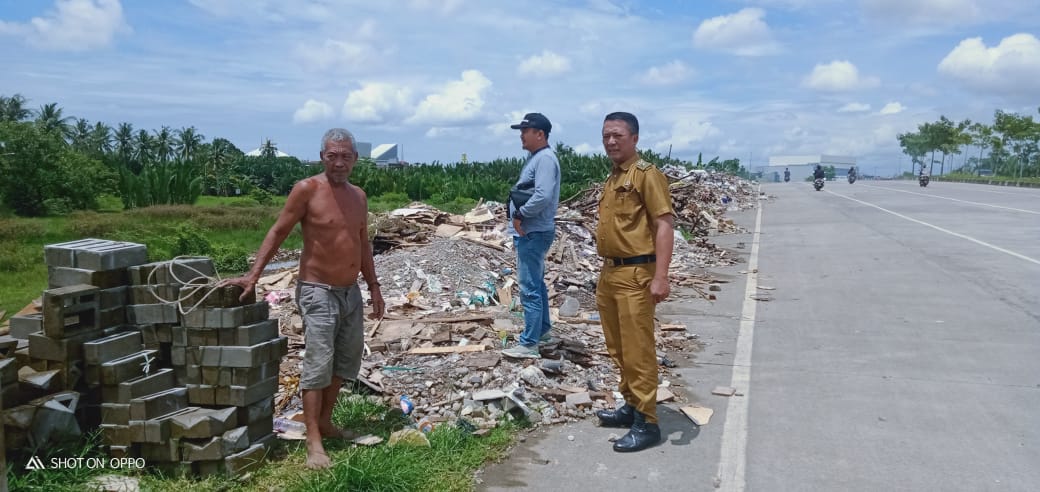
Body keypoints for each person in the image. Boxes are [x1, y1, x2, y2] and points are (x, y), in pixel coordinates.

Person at [223, 128, 385, 470]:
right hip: (317, 290)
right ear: (322, 157)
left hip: (350, 291)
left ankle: (325, 422)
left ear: (355, 159)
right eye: (332, 156)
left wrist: (373, 286)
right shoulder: (307, 189)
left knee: (346, 359)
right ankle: (313, 439)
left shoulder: (359, 196)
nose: (339, 163)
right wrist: (253, 275)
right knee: (318, 362)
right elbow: (279, 231)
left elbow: (362, 242)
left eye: (345, 156)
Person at [594, 112, 674, 452]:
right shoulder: (614, 178)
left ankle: (647, 421)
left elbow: (664, 224)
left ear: (635, 138)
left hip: (636, 275)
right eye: (606, 136)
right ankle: (630, 404)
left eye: (618, 135)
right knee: (618, 347)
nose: (611, 141)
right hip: (610, 273)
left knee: (638, 350)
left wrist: (661, 276)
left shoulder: (646, 175)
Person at [501, 113, 561, 359]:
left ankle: (529, 344)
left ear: (540, 134)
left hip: (532, 231)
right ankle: (542, 331)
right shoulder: (537, 157)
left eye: (525, 131)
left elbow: (543, 195)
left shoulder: (545, 159)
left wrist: (520, 215)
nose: (521, 136)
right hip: (532, 230)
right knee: (536, 283)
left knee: (529, 288)